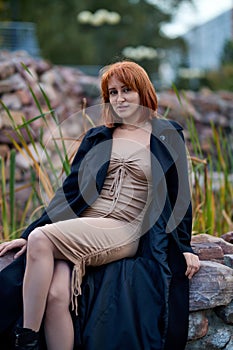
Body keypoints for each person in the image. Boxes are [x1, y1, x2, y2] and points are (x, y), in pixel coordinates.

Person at [0, 60, 200, 350]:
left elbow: (180, 194)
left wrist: (184, 247)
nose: (119, 99)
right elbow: (69, 193)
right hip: (84, 223)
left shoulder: (167, 135)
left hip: (124, 229)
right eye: (112, 93)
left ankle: (25, 339)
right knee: (57, 295)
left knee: (41, 239)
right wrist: (25, 233)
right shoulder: (98, 137)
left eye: (126, 91)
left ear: (142, 92)